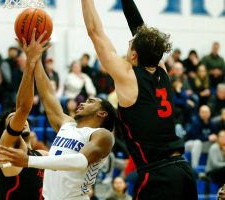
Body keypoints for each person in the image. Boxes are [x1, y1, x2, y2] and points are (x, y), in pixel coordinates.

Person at [80, 0, 197, 199]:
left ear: (134, 55)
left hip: (158, 176)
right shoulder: (162, 69)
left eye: (129, 45)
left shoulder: (128, 77)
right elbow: (140, 29)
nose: (128, 45)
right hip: (184, 173)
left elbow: (94, 31)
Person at [0, 30, 116, 200]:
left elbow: (80, 161)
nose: (82, 102)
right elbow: (47, 94)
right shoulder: (67, 124)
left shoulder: (102, 136)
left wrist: (29, 161)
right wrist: (36, 58)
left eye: (90, 101)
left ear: (102, 113)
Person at [0, 31, 50, 200]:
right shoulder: (6, 153)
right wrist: (30, 62)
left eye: (19, 118)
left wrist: (38, 59)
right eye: (12, 120)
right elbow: (23, 108)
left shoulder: (41, 156)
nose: (21, 121)